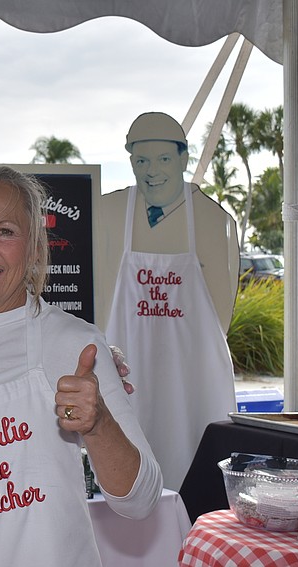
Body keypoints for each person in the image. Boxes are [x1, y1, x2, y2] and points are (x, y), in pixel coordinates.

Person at [0, 166, 162, 566]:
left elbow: (140, 502)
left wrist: (99, 424)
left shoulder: (75, 344)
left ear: (36, 248)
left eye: (4, 231)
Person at [97, 112, 239, 491]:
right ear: (129, 161)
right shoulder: (109, 212)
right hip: (130, 383)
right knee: (129, 481)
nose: (151, 171)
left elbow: (220, 320)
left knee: (196, 485)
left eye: (162, 159)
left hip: (193, 385)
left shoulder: (212, 218)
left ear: (183, 158)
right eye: (141, 161)